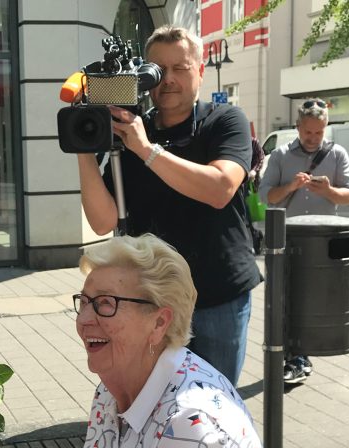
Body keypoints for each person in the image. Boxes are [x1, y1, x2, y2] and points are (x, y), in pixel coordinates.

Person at [0, 234, 274, 448]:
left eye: (105, 304)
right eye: (84, 302)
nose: (83, 320)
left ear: (159, 323)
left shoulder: (191, 425)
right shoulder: (112, 388)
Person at [77, 25, 259, 386]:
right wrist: (83, 143)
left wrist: (146, 150)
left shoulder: (224, 121)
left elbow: (221, 187)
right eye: (158, 71)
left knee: (215, 403)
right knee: (151, 400)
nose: (168, 80)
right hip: (151, 301)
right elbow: (103, 221)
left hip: (217, 295)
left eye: (181, 68)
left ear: (201, 71)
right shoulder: (133, 130)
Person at [259, 98, 349, 385]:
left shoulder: (337, 154)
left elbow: (348, 197)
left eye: (318, 132)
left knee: (315, 300)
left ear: (325, 127)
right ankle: (294, 356)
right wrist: (291, 186)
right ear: (298, 126)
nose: (312, 138)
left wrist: (328, 191)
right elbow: (266, 197)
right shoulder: (280, 155)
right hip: (287, 239)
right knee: (286, 297)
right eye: (307, 132)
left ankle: (305, 351)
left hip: (323, 243)